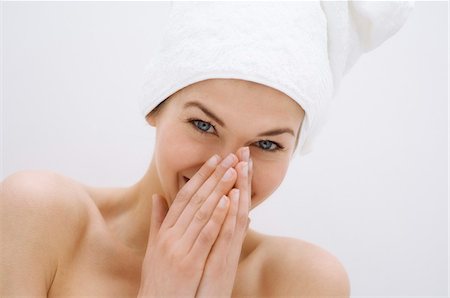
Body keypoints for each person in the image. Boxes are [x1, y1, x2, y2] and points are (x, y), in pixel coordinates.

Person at [1, 1, 414, 297]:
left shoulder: (303, 282)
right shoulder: (39, 217)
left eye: (267, 144)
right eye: (204, 125)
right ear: (156, 106)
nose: (229, 171)